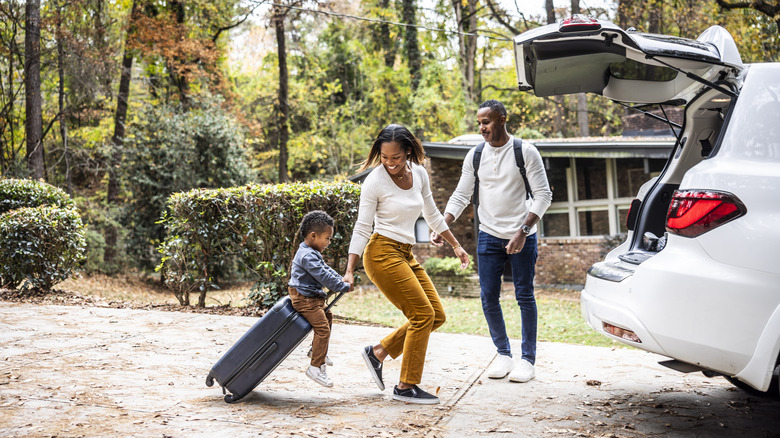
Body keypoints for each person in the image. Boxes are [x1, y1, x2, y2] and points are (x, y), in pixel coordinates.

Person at [343, 124, 470, 405]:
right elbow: (362, 227)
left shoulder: (420, 173)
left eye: (396, 158)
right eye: (385, 157)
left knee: (436, 315)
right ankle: (405, 386)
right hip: (380, 253)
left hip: (404, 253)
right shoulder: (374, 181)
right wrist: (350, 270)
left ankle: (378, 352)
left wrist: (456, 245)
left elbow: (433, 214)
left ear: (408, 151)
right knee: (422, 315)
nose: (390, 163)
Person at [431, 99, 552, 383]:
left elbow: (543, 195)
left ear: (501, 119)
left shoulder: (525, 151)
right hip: (488, 234)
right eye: (479, 123)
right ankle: (503, 354)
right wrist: (442, 224)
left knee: (524, 295)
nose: (482, 128)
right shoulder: (475, 155)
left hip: (522, 234)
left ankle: (527, 360)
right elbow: (461, 196)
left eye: (486, 122)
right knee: (488, 297)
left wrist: (522, 230)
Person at [289, 210, 353, 388]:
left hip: (310, 298)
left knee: (328, 316)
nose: (329, 242)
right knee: (323, 329)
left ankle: (317, 352)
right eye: (327, 238)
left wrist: (341, 280)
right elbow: (322, 276)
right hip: (304, 299)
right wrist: (341, 286)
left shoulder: (310, 252)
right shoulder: (307, 256)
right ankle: (315, 367)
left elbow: (325, 269)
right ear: (313, 235)